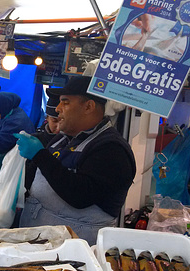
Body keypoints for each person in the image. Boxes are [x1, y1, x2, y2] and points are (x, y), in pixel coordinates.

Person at [15, 76, 136, 244]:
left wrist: (40, 155)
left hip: (74, 248)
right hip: (42, 239)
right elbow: (38, 176)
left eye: (65, 102)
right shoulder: (62, 139)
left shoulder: (112, 149)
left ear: (88, 107)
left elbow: (80, 196)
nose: (57, 109)